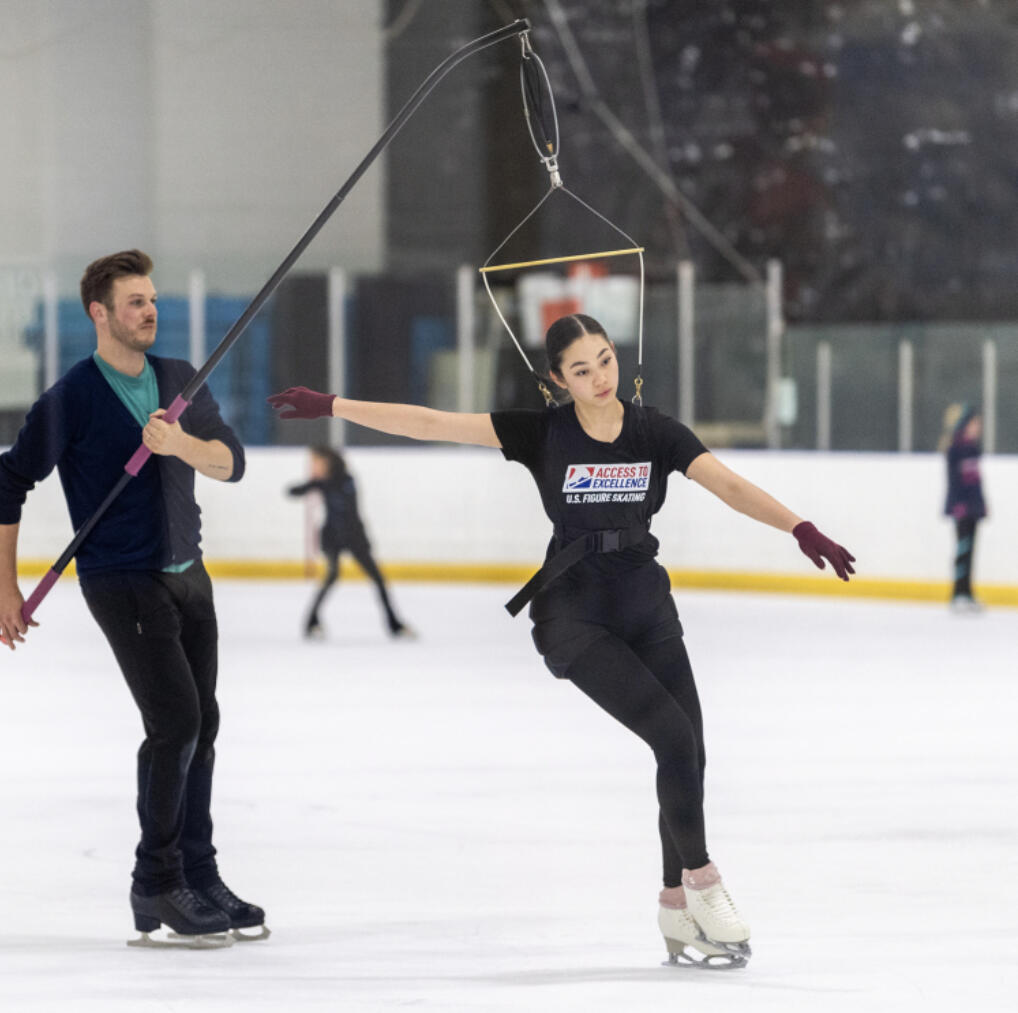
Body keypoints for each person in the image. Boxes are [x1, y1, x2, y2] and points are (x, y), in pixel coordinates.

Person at [267, 313, 854, 969]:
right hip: (575, 615)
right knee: (673, 737)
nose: (599, 377)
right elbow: (431, 421)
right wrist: (333, 406)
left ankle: (673, 908)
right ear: (556, 379)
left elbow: (729, 484)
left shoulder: (653, 430)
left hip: (645, 603)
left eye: (604, 359)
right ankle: (704, 882)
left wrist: (800, 527)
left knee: (690, 752)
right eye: (581, 369)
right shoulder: (542, 433)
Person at [0, 250, 268, 947]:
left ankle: (198, 874)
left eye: (151, 299)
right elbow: (8, 481)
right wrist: (5, 585)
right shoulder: (73, 398)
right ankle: (157, 880)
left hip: (188, 576)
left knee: (203, 721)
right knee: (175, 720)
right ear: (100, 313)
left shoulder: (178, 379)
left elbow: (232, 460)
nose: (149, 310)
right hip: (122, 578)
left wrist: (180, 444)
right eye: (135, 301)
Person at [285, 444, 413, 639]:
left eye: (315, 463)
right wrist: (309, 484)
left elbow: (347, 506)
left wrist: (317, 483)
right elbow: (293, 492)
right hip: (332, 537)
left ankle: (394, 624)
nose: (313, 466)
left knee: (377, 579)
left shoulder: (346, 480)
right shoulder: (320, 482)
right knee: (332, 576)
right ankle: (311, 621)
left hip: (354, 537)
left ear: (327, 462)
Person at [940, 403, 987, 611]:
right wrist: (957, 504)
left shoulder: (972, 449)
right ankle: (958, 593)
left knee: (970, 551)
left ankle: (967, 592)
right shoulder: (957, 448)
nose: (979, 427)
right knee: (963, 550)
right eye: (976, 423)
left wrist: (981, 505)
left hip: (973, 508)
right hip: (961, 508)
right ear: (966, 424)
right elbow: (955, 481)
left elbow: (975, 482)